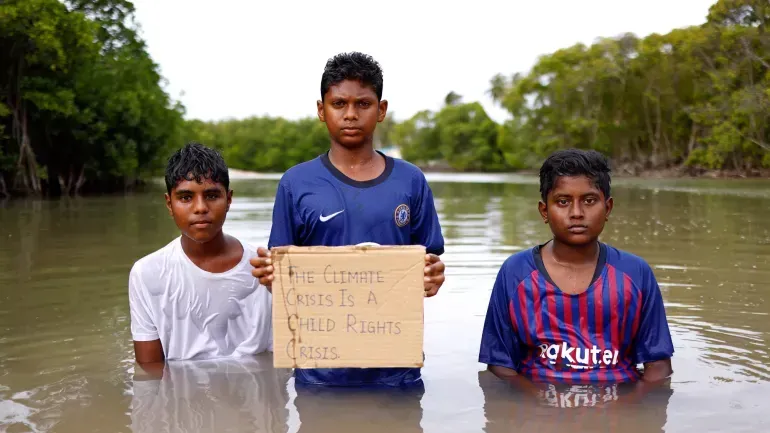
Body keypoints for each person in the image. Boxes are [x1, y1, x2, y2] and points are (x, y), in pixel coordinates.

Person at [250, 51, 446, 388]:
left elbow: (428, 264)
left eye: (363, 104)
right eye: (339, 104)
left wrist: (433, 277)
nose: (351, 114)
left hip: (396, 370)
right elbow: (283, 277)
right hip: (320, 373)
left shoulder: (411, 181)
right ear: (321, 110)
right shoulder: (296, 183)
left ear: (381, 110)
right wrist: (271, 276)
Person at [478, 148, 674, 395]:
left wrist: (622, 411)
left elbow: (658, 366)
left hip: (616, 407)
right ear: (544, 211)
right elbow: (499, 366)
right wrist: (540, 404)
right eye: (563, 202)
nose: (577, 213)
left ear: (608, 207)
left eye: (589, 200)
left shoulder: (635, 273)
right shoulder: (515, 272)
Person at [128, 142, 273, 375]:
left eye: (212, 195)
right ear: (169, 204)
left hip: (254, 403)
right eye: (186, 197)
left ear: (229, 200)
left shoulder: (265, 269)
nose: (200, 208)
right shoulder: (147, 273)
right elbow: (150, 368)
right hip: (185, 404)